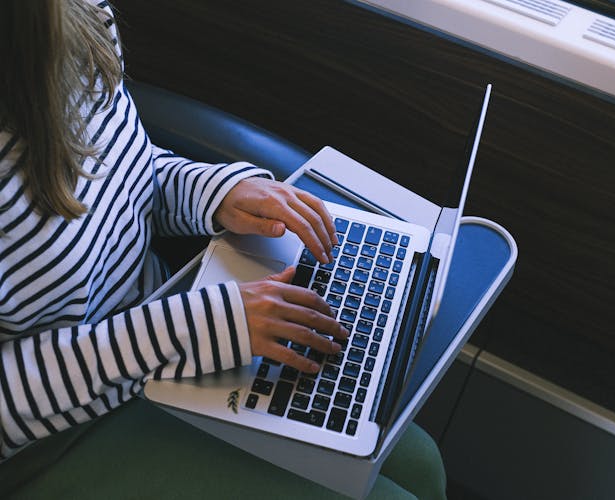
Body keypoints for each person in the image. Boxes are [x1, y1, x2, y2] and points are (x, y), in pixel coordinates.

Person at [0, 0, 446, 498]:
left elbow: (118, 175)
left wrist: (215, 192)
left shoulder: (80, 17)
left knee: (422, 467)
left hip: (163, 329)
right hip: (56, 436)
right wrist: (194, 329)